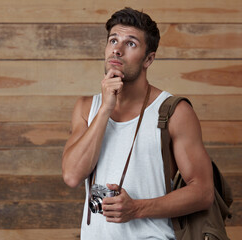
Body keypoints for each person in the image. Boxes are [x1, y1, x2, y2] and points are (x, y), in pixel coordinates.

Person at [62, 7, 214, 239]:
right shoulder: (87, 108)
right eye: (113, 40)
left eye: (130, 43)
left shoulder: (174, 111)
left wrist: (137, 208)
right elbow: (72, 176)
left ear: (149, 59)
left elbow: (203, 192)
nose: (117, 49)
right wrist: (106, 109)